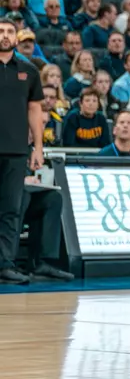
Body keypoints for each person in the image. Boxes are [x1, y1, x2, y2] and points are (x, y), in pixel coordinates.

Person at [0, 18, 43, 284]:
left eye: (9, 32)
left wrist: (37, 147)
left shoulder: (29, 70)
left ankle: (5, 264)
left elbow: (35, 109)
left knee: (11, 210)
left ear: (16, 37)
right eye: (0, 32)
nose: (5, 36)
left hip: (16, 150)